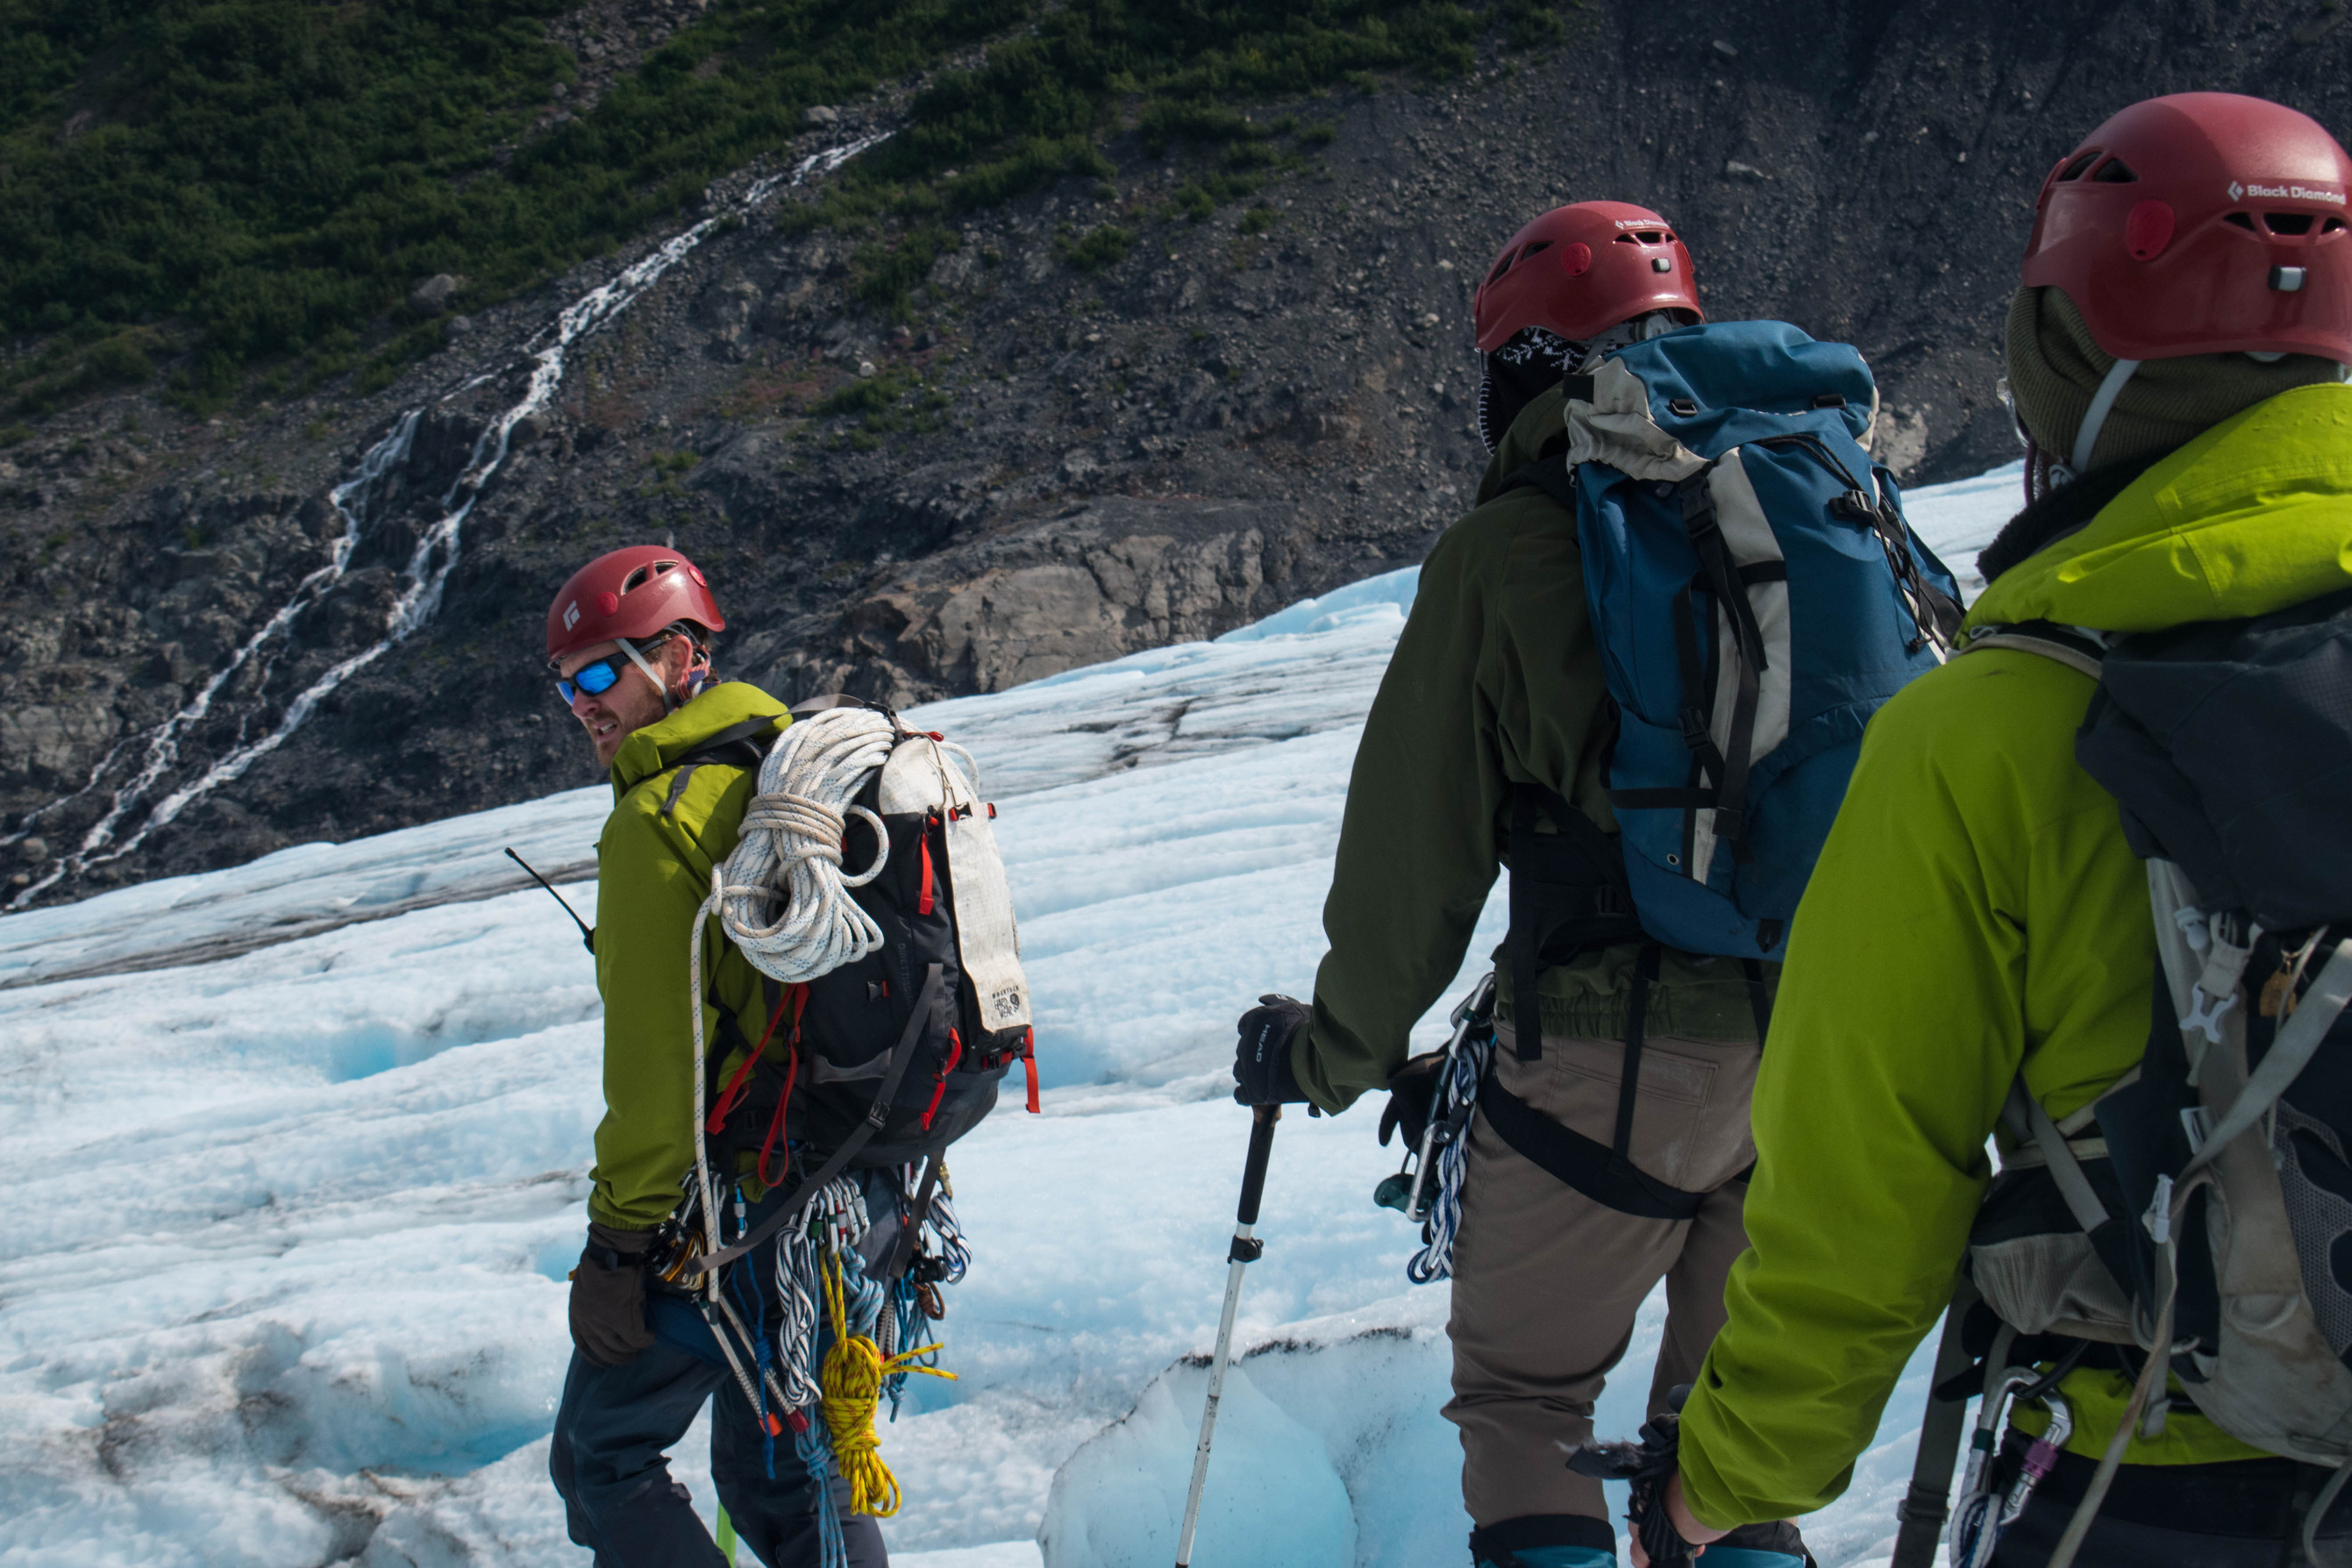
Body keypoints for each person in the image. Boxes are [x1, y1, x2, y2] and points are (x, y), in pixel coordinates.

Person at [1655, 93, 2352, 1565]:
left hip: (2144, 1479)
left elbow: (1861, 1191)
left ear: (2069, 350)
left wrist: (1728, 1474)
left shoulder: (1985, 735)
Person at [1230, 203, 1807, 1568]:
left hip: (1610, 1055)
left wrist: (1332, 1055)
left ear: (1522, 370)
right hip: (1815, 1041)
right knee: (1728, 1444)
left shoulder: (1510, 550)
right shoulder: (1804, 496)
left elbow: (1409, 861)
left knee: (1524, 1409)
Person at [541, 545, 894, 1568]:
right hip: (853, 1188)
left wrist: (615, 1251)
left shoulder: (659, 825)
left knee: (602, 1461)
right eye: (568, 685)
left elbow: (659, 1072)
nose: (584, 705)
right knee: (786, 1471)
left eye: (603, 673)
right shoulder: (799, 772)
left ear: (682, 656)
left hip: (734, 1210)